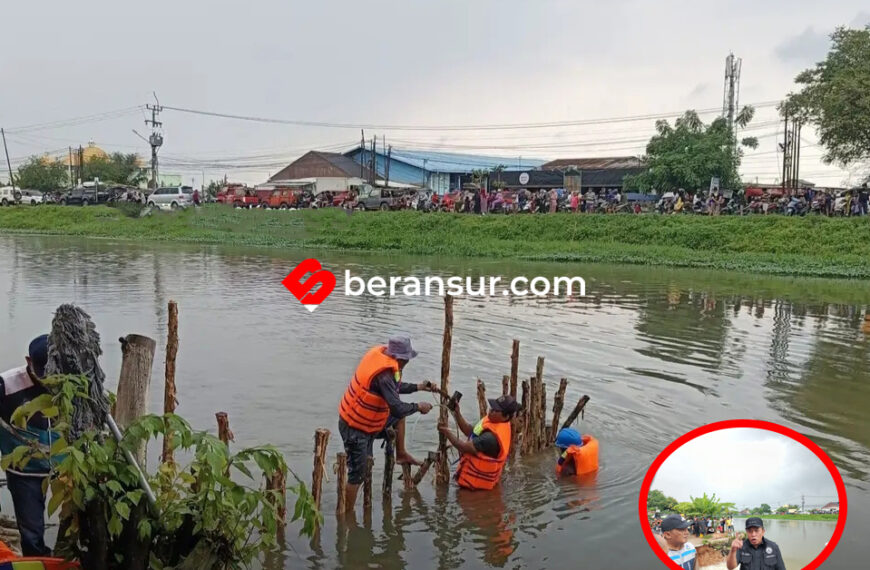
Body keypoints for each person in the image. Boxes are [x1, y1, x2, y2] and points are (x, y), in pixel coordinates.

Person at [337, 337, 435, 512]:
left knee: (399, 418)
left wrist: (418, 387)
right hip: (355, 427)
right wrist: (418, 407)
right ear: (402, 358)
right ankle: (346, 515)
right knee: (356, 476)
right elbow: (397, 407)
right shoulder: (384, 375)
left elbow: (394, 388)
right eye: (407, 359)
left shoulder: (388, 367)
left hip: (370, 422)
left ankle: (401, 453)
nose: (407, 362)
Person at [0, 335, 58, 556]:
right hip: (25, 469)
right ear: (28, 361)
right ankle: (36, 558)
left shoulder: (71, 382)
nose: (47, 381)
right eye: (42, 373)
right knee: (31, 533)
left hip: (67, 467)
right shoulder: (7, 385)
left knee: (85, 524)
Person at [438, 394, 518, 490]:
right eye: (492, 407)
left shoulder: (490, 438)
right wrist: (457, 414)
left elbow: (463, 447)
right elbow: (471, 431)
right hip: (476, 482)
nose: (490, 411)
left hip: (475, 489)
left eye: (496, 410)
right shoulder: (496, 422)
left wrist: (446, 432)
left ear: (506, 417)